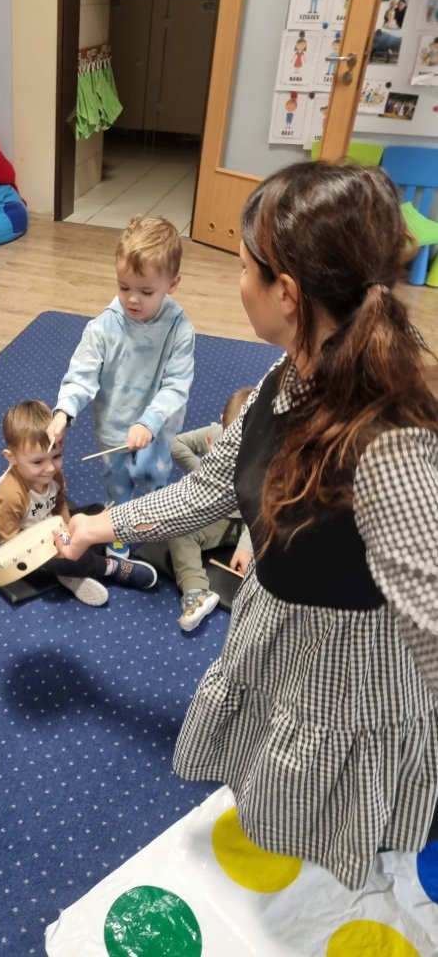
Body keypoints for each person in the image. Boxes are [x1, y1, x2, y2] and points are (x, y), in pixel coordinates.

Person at [51, 160, 438, 891]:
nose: (236, 281)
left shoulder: (388, 448)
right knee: (277, 765)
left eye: (241, 266)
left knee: (334, 814)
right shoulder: (284, 376)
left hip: (349, 659)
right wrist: (100, 527)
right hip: (284, 613)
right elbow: (210, 488)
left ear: (285, 292)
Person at [47, 214, 195, 558]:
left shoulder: (180, 329)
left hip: (158, 429)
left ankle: (153, 521)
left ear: (172, 283)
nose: (132, 299)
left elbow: (177, 385)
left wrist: (149, 422)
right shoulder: (103, 327)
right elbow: (81, 374)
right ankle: (118, 529)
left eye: (146, 291)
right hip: (114, 429)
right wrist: (64, 411)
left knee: (153, 478)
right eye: (124, 287)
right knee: (118, 483)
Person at [0, 400, 157, 605]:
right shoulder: (10, 496)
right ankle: (109, 566)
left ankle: (72, 571)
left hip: (49, 528)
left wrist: (68, 535)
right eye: (38, 461)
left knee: (97, 512)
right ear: (12, 457)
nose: (50, 468)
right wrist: (63, 547)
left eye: (56, 456)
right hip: (23, 550)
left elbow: (60, 505)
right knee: (58, 559)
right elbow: (12, 548)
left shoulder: (53, 475)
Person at [168, 386, 254, 631]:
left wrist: (247, 546)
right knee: (178, 529)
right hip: (222, 517)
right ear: (222, 421)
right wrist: (204, 473)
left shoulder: (265, 454)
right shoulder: (214, 433)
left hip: (257, 521)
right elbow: (177, 444)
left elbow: (264, 506)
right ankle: (196, 592)